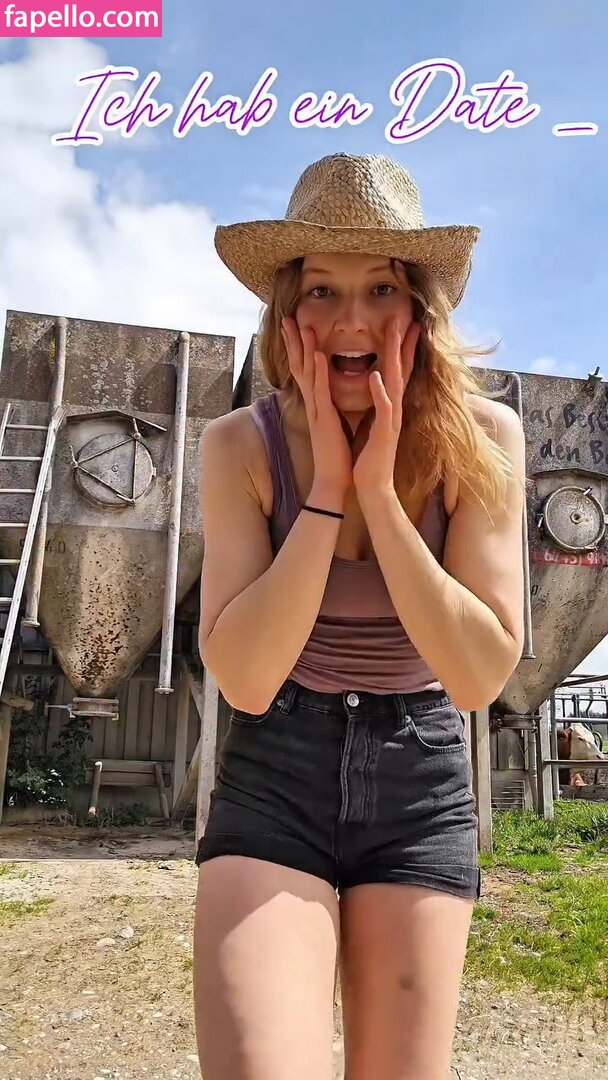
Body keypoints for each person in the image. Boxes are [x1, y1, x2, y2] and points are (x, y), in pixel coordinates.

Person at [192, 152, 526, 1080]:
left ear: (420, 306)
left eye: (380, 287)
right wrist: (329, 488)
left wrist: (381, 495)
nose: (350, 320)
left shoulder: (482, 439)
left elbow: (478, 675)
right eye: (322, 290)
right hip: (276, 773)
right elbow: (247, 678)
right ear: (286, 315)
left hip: (419, 781)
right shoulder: (239, 446)